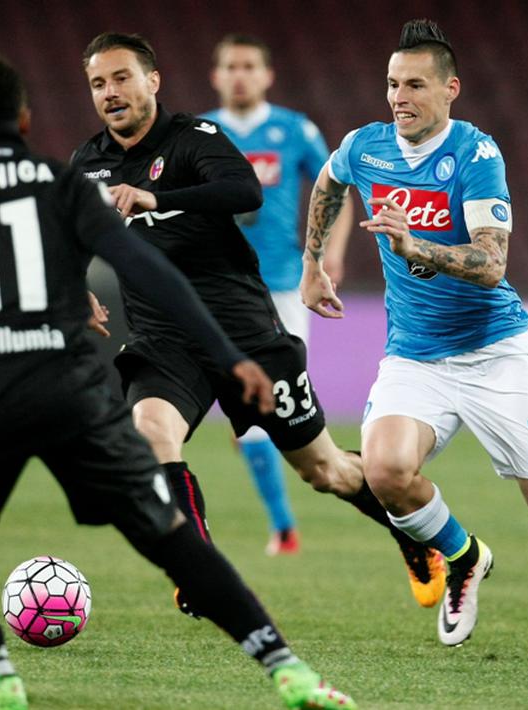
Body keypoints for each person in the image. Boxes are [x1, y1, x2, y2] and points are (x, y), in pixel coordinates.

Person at [0, 54, 355, 710]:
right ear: (22, 119)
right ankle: (285, 669)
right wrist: (228, 352)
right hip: (66, 388)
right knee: (166, 534)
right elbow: (148, 266)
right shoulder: (60, 181)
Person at [300, 19, 528, 665]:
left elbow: (491, 264)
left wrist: (415, 247)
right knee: (383, 472)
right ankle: (463, 556)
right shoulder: (366, 146)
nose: (397, 97)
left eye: (413, 84)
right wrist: (313, 264)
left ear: (449, 89)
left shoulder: (474, 156)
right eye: (390, 84)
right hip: (415, 353)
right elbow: (328, 184)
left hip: (496, 353)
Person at [70, 32, 445, 610]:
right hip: (164, 338)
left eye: (122, 78)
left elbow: (244, 191)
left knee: (324, 472)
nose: (110, 92)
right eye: (98, 83)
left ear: (152, 81)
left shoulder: (195, 138)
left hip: (242, 332)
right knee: (150, 431)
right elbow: (67, 231)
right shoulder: (88, 162)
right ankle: (198, 567)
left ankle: (411, 532)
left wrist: (154, 197)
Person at [200, 33, 354, 556]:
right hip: (217, 288)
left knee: (284, 409)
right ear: (215, 76)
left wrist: (328, 250)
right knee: (247, 415)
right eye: (230, 66)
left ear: (266, 75)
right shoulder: (199, 133)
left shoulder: (293, 129)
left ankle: (356, 491)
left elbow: (338, 185)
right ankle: (284, 527)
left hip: (284, 286)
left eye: (248, 66)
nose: (239, 75)